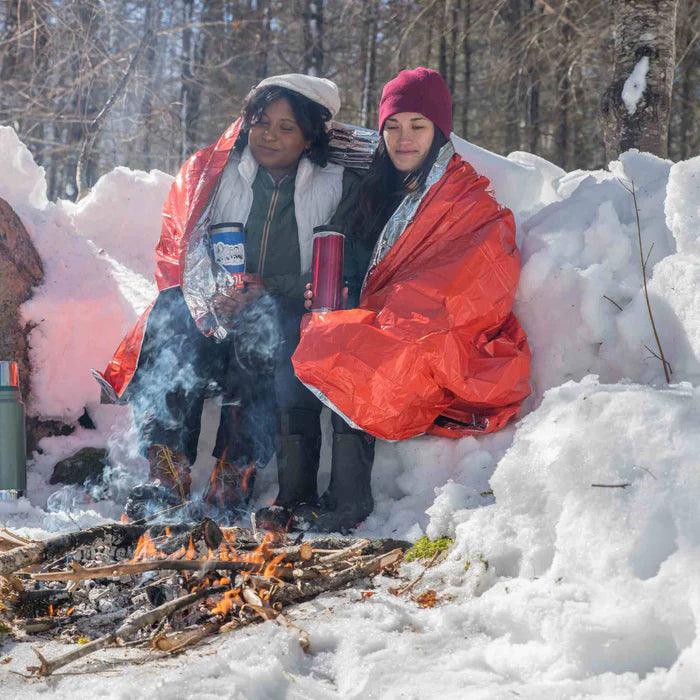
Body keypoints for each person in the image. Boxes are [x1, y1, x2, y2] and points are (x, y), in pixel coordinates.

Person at [96, 74, 370, 524]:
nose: (270, 136)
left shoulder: (337, 184)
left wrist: (271, 289)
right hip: (219, 312)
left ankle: (233, 473)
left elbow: (346, 263)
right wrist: (212, 296)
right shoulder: (220, 175)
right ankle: (168, 473)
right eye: (262, 122)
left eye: (287, 127)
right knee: (168, 313)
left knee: (264, 325)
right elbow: (186, 249)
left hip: (287, 319)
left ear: (308, 137)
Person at [292, 67, 532, 530]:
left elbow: (479, 270)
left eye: (417, 126)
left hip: (436, 328)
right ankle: (291, 491)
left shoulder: (465, 195)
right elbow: (349, 252)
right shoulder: (372, 187)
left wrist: (393, 309)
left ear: (440, 131)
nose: (404, 139)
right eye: (392, 127)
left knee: (366, 349)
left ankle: (349, 500)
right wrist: (331, 288)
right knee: (313, 334)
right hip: (378, 315)